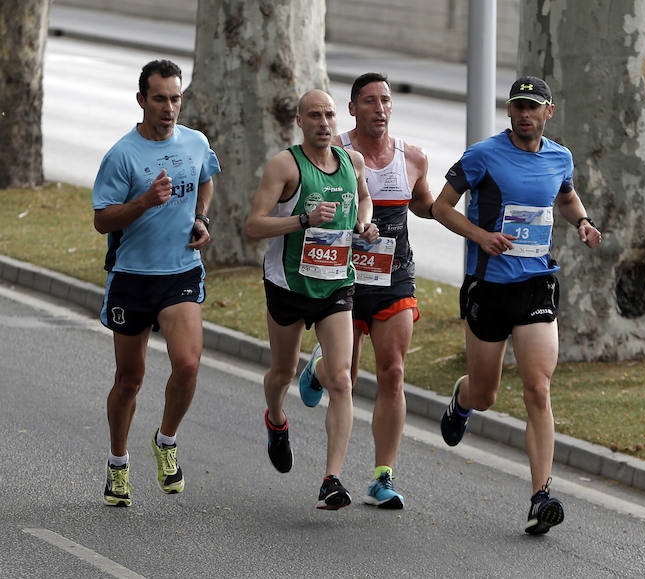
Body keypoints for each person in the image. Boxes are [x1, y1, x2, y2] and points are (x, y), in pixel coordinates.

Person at [431, 76, 602, 534]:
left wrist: (583, 222)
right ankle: (462, 402)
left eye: (533, 106)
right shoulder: (482, 155)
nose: (525, 113)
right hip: (489, 286)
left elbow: (565, 196)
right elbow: (441, 207)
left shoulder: (559, 156)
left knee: (538, 390)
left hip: (536, 283)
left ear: (549, 111)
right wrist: (481, 236)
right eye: (517, 106)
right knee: (486, 393)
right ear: (508, 111)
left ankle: (540, 497)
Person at [93, 59, 221, 507]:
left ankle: (166, 442)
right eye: (161, 99)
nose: (169, 108)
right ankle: (118, 463)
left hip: (181, 272)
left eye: (176, 98)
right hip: (132, 278)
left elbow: (206, 178)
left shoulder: (195, 142)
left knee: (187, 365)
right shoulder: (122, 155)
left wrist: (201, 217)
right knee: (130, 380)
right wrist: (145, 201)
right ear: (142, 100)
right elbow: (101, 219)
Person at [244, 89, 378, 510]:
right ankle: (276, 419)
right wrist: (302, 219)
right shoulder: (285, 166)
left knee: (341, 378)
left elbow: (364, 198)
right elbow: (253, 225)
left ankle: (331, 479)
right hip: (288, 285)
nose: (324, 123)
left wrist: (365, 223)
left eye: (330, 115)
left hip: (336, 282)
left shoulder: (351, 161)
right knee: (281, 373)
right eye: (315, 116)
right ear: (300, 121)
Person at [331, 73, 435, 509]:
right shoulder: (334, 151)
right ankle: (322, 360)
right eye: (370, 101)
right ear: (353, 108)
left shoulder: (411, 157)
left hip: (394, 277)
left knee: (393, 372)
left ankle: (382, 476)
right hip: (344, 276)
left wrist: (469, 210)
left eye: (386, 100)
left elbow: (426, 205)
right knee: (345, 378)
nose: (380, 108)